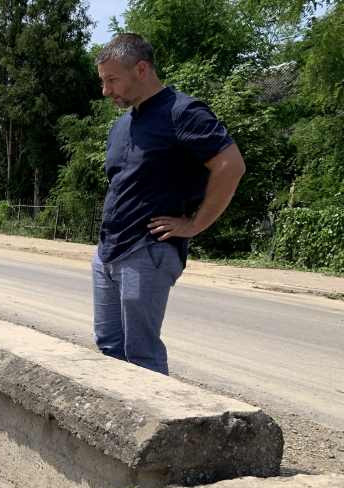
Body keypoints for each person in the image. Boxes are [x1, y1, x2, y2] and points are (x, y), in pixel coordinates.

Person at [93, 34, 246, 375]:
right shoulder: (122, 126)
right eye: (103, 81)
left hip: (146, 251)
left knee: (141, 356)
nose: (106, 91)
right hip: (108, 252)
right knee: (108, 347)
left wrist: (195, 224)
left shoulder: (183, 112)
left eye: (112, 80)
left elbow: (230, 166)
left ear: (142, 69)